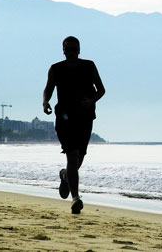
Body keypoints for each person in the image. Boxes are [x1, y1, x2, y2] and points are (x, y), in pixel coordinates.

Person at [43, 36, 105, 214]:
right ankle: (76, 198)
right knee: (73, 155)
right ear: (63, 50)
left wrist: (91, 100)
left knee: (79, 158)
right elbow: (48, 88)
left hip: (85, 118)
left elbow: (101, 90)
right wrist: (45, 102)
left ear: (79, 50)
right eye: (67, 49)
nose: (70, 52)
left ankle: (65, 176)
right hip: (64, 118)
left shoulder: (89, 66)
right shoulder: (56, 69)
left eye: (73, 49)